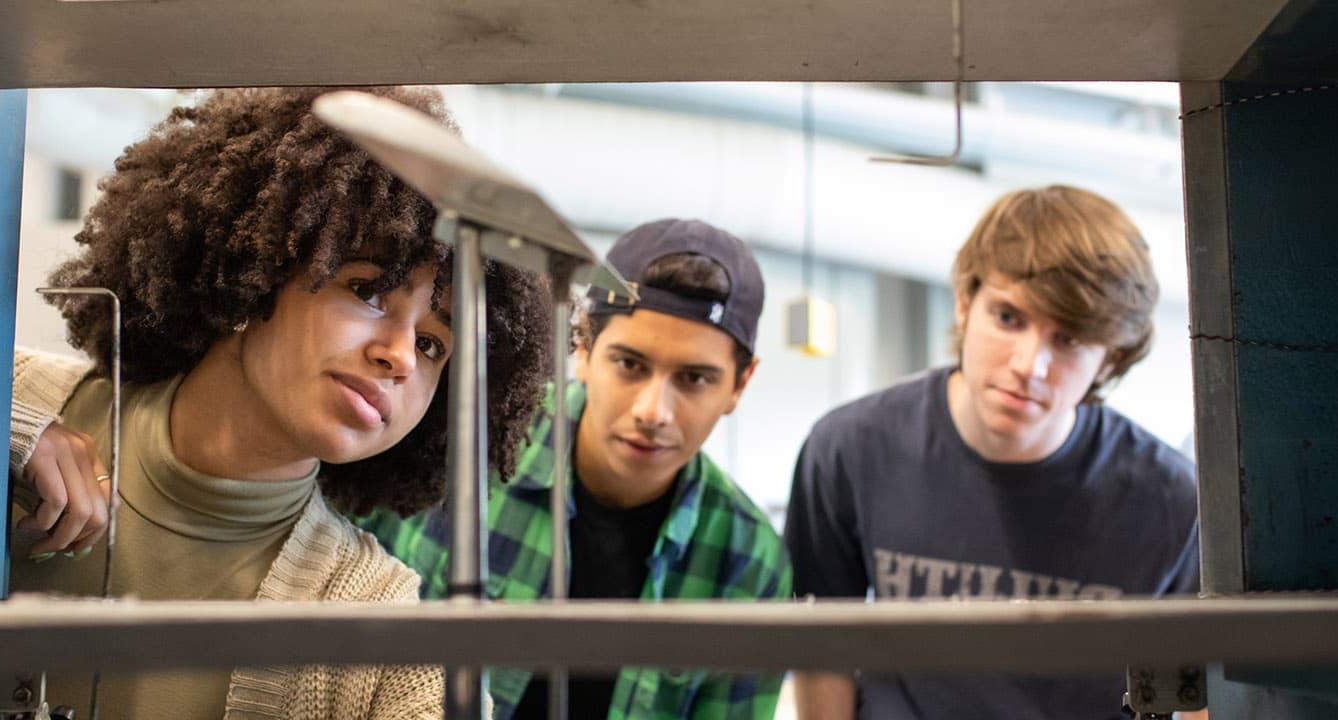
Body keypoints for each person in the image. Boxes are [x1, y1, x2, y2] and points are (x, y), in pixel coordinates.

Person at [5, 85, 551, 719]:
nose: (400, 356)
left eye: (432, 345)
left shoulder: (380, 632)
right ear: (255, 270)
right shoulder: (6, 396)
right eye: (367, 290)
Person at [785, 185, 1200, 720]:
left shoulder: (1169, 499)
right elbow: (822, 652)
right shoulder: (847, 450)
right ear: (965, 302)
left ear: (1110, 358)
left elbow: (1196, 694)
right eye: (1008, 318)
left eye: (1069, 340)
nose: (1030, 363)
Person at [356, 219, 792, 720]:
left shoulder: (749, 561)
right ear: (583, 346)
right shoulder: (461, 440)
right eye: (630, 364)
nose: (653, 411)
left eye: (695, 378)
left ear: (740, 384)